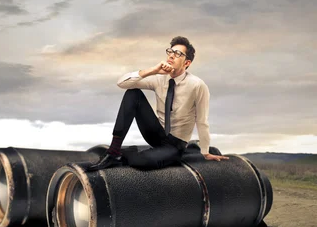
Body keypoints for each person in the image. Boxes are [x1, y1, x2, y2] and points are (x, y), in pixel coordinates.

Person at [88, 36, 228, 171]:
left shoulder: (197, 85)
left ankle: (130, 154)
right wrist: (153, 71)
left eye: (178, 54)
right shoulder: (159, 78)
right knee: (133, 93)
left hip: (175, 144)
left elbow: (202, 120)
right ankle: (113, 151)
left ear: (187, 63)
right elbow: (122, 83)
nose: (172, 56)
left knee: (142, 162)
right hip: (156, 133)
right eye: (170, 52)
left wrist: (205, 151)